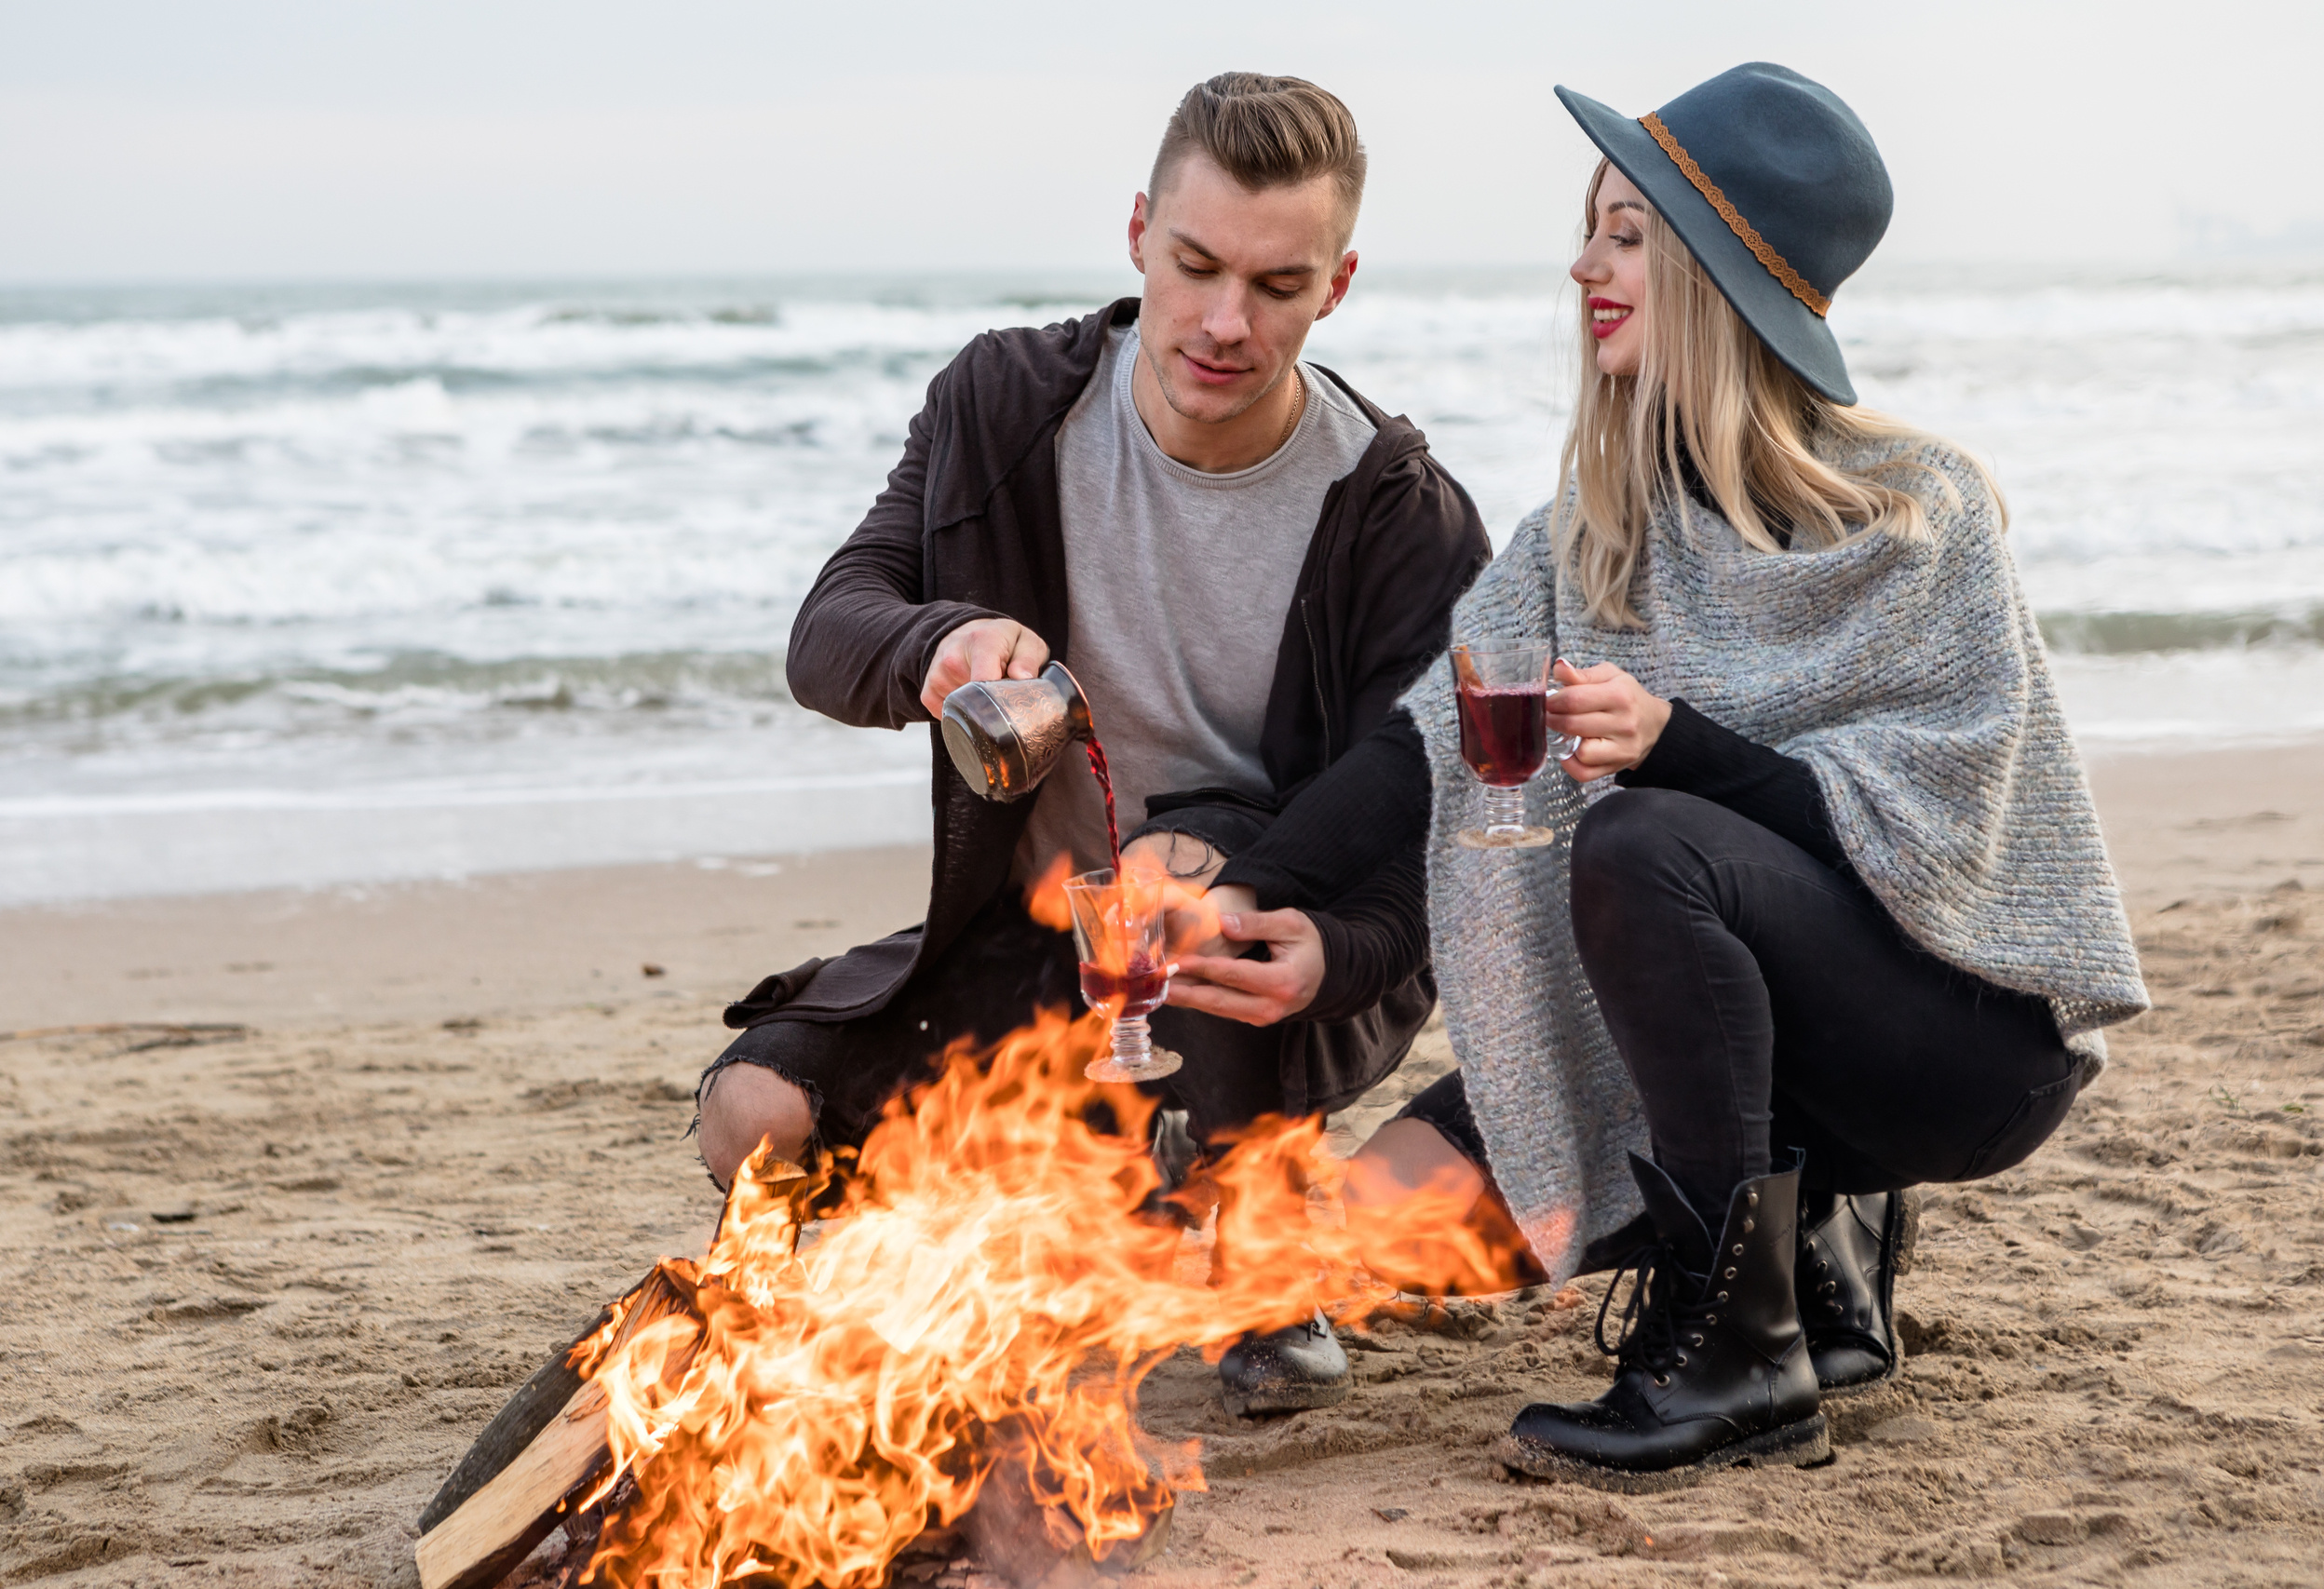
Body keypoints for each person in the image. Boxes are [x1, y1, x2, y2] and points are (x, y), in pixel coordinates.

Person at [1169, 62, 2149, 1488]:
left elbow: (1943, 847)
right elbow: (1421, 745)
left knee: (1644, 841)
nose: (1585, 265)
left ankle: (1735, 1352)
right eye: (1593, 227)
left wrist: (1681, 743)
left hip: (1958, 1047)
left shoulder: (1913, 513)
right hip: (1726, 1052)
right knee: (1372, 1225)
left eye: (1627, 233)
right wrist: (1242, 893)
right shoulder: (1590, 533)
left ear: (1716, 271)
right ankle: (1810, 1256)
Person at [692, 73, 1490, 1416]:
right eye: (1194, 267)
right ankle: (1072, 1194)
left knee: (1180, 851)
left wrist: (1334, 956)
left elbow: (1432, 824)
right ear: (1136, 235)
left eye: (1277, 286)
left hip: (1244, 969)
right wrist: (936, 646)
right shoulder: (1007, 405)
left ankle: (1245, 1202)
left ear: (1337, 286)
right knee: (751, 1124)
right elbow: (830, 631)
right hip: (1018, 939)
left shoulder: (1396, 510)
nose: (1226, 323)